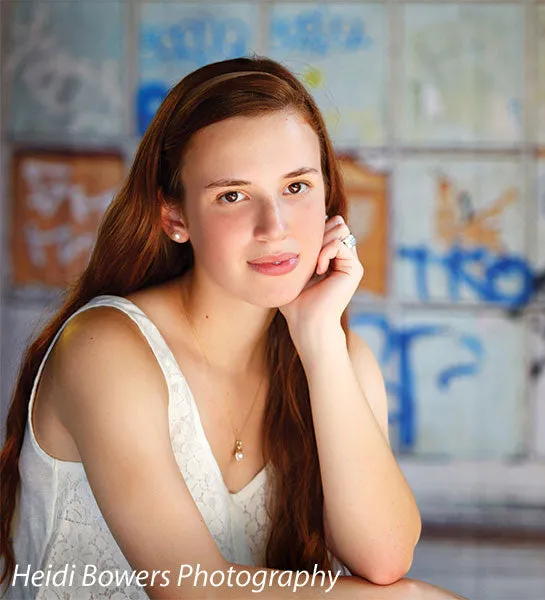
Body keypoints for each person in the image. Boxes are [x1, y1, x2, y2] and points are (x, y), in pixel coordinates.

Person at [0, 57, 464, 599]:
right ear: (174, 217)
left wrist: (318, 342)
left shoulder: (337, 358)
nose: (275, 227)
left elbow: (383, 556)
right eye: (233, 195)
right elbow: (196, 591)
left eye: (296, 188)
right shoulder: (107, 349)